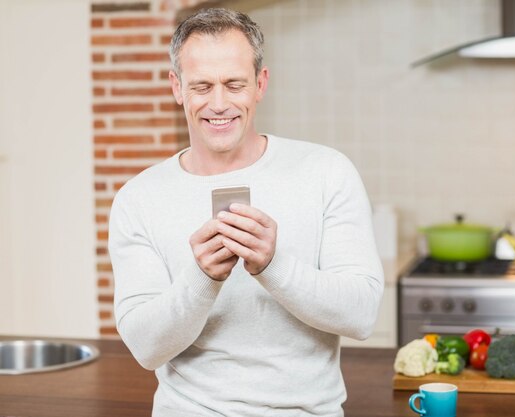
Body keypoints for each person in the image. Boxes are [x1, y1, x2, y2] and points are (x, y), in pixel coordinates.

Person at [109, 7, 384, 417]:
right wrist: (202, 279)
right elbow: (146, 349)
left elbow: (362, 315)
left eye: (234, 84)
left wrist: (274, 265)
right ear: (176, 87)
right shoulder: (139, 198)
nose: (218, 104)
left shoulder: (327, 172)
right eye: (201, 86)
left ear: (260, 83)